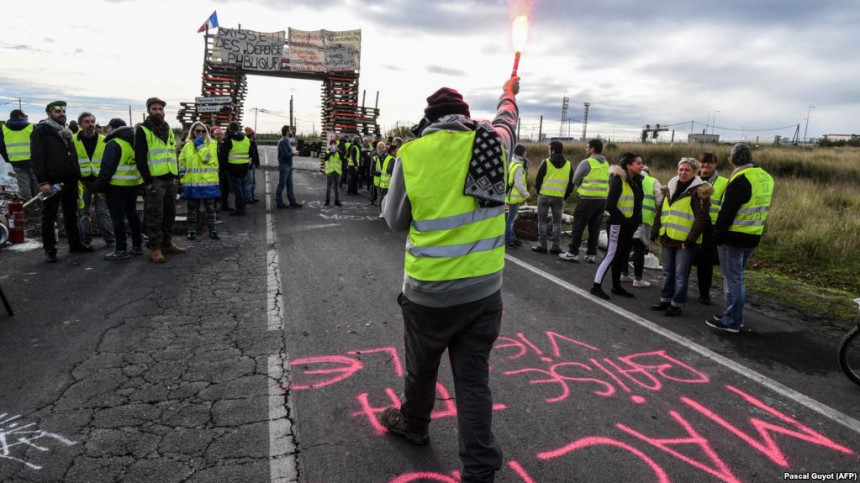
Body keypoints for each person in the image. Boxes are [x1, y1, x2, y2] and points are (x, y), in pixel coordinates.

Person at [380, 77, 519, 483]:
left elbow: (394, 221)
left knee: (421, 369)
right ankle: (479, 469)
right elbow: (507, 119)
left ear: (429, 121)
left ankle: (415, 425)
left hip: (428, 293)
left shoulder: (413, 153)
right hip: (483, 291)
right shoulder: (491, 143)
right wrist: (509, 91)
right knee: (473, 381)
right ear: (465, 117)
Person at [706, 143, 774, 333]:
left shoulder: (739, 179)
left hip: (733, 237)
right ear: (750, 158)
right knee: (737, 278)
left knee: (733, 280)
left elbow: (727, 212)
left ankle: (733, 320)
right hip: (753, 234)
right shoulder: (766, 177)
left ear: (731, 160)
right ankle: (731, 313)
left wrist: (717, 235)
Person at [31, 100, 93, 262]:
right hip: (52, 180)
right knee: (49, 216)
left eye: (63, 111)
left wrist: (77, 175)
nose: (62, 114)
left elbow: (72, 156)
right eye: (57, 111)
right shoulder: (42, 131)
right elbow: (37, 158)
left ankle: (75, 244)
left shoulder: (66, 131)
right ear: (49, 114)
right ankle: (50, 250)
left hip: (70, 179)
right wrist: (43, 181)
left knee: (71, 213)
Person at [650, 157, 712, 316]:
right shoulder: (671, 186)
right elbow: (661, 210)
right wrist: (655, 230)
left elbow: (702, 218)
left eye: (687, 170)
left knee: (680, 274)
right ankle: (665, 300)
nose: (683, 173)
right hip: (668, 236)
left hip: (685, 241)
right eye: (681, 169)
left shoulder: (700, 191)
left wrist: (690, 240)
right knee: (667, 272)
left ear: (695, 172)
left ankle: (676, 304)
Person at [135, 97, 186, 263]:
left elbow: (173, 154)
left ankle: (167, 243)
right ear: (149, 111)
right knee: (154, 215)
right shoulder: (143, 130)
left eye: (161, 109)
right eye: (155, 109)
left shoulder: (168, 130)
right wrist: (148, 181)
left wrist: (177, 178)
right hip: (155, 180)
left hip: (171, 178)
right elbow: (140, 158)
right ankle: (155, 248)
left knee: (169, 214)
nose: (158, 112)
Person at [590, 153, 644, 300]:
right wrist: (624, 221)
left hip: (629, 227)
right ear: (628, 166)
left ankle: (616, 286)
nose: (641, 166)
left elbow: (636, 204)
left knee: (622, 256)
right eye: (638, 163)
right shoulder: (618, 180)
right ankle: (596, 286)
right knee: (611, 255)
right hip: (617, 225)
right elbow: (610, 205)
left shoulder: (636, 181)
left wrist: (634, 221)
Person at [94, 119, 144, 260]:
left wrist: (99, 187)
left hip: (116, 187)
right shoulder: (134, 143)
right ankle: (137, 246)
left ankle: (121, 250)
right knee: (133, 215)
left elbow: (106, 169)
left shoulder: (114, 143)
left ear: (110, 128)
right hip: (133, 185)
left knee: (117, 218)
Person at [559, 139, 609, 263]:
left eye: (587, 147)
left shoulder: (587, 162)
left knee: (578, 226)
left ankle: (573, 253)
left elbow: (575, 180)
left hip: (587, 199)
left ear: (592, 149)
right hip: (602, 200)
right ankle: (591, 254)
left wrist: (583, 183)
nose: (586, 149)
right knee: (594, 228)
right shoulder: (606, 164)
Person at [73, 112, 115, 248]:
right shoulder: (73, 140)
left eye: (92, 121)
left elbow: (109, 162)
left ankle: (110, 240)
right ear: (80, 124)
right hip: (81, 182)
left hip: (100, 182)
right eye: (86, 121)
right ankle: (85, 240)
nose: (90, 124)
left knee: (102, 212)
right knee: (83, 212)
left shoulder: (104, 140)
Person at [692, 151, 728, 305]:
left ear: (715, 165)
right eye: (703, 163)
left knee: (705, 264)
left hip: (710, 228)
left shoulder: (724, 183)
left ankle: (704, 293)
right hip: (690, 225)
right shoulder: (692, 179)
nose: (706, 166)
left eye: (710, 163)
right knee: (685, 261)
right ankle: (679, 290)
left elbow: (726, 207)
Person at [620, 164, 663, 288]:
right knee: (639, 248)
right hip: (644, 219)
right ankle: (638, 278)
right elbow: (660, 202)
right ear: (648, 172)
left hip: (626, 217)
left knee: (626, 246)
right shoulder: (653, 181)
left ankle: (624, 273)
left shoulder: (626, 179)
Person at [180, 121, 220, 240]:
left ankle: (212, 230)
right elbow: (181, 160)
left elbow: (207, 158)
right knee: (191, 209)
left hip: (208, 183)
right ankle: (192, 230)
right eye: (198, 131)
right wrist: (182, 175)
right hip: (192, 183)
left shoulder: (212, 144)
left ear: (207, 132)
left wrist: (200, 145)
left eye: (203, 131)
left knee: (210, 209)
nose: (200, 133)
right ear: (193, 132)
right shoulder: (187, 146)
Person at [531, 141, 572, 254]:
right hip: (559, 198)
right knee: (557, 223)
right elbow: (571, 183)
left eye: (549, 149)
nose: (548, 151)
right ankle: (555, 247)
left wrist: (539, 192)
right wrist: (565, 195)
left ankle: (543, 246)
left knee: (542, 221)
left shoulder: (546, 162)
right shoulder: (568, 164)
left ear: (553, 150)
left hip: (544, 196)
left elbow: (538, 179)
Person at [1, 109, 39, 200]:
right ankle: (40, 204)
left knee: (23, 184)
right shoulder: (31, 127)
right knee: (37, 182)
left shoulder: (3, 129)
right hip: (33, 160)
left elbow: (1, 147)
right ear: (21, 116)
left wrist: (8, 159)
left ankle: (29, 206)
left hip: (16, 161)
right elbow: (39, 144)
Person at [218, 121, 251, 216]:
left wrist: (222, 169)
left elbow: (223, 157)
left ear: (229, 129)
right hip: (244, 167)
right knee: (243, 189)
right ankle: (243, 207)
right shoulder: (245, 138)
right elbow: (250, 152)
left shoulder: (229, 139)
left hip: (233, 168)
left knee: (238, 190)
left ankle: (240, 209)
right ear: (238, 128)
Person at [505, 144, 530, 248]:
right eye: (525, 152)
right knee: (511, 220)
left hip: (510, 196)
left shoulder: (512, 163)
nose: (526, 154)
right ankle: (508, 240)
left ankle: (512, 238)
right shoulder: (519, 167)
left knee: (511, 219)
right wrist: (527, 195)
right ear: (522, 153)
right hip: (514, 198)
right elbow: (518, 185)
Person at [276, 125, 302, 208]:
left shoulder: (287, 141)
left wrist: (292, 153)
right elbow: (285, 154)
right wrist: (294, 153)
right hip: (284, 166)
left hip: (289, 166)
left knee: (290, 185)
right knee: (282, 185)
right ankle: (279, 202)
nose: (291, 132)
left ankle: (292, 202)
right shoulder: (283, 142)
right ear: (287, 132)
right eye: (290, 130)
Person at [323, 138, 342, 207]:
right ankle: (327, 201)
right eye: (332, 144)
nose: (333, 145)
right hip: (330, 172)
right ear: (330, 145)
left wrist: (338, 151)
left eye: (334, 144)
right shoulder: (328, 151)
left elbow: (342, 159)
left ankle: (337, 201)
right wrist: (331, 152)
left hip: (337, 171)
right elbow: (325, 159)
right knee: (329, 187)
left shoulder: (338, 152)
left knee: (337, 187)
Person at [243, 127, 260, 203]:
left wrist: (256, 163)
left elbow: (255, 154)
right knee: (249, 182)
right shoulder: (247, 143)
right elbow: (249, 155)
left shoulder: (252, 142)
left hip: (252, 164)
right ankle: (248, 197)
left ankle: (251, 196)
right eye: (253, 133)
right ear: (251, 134)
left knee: (253, 182)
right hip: (249, 165)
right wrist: (250, 164)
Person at [368, 141, 386, 205]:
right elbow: (371, 170)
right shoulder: (375, 157)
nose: (382, 149)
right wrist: (379, 173)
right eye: (380, 148)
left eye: (383, 147)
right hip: (378, 179)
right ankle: (381, 211)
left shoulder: (386, 156)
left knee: (384, 196)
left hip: (385, 180)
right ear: (377, 148)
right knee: (380, 196)